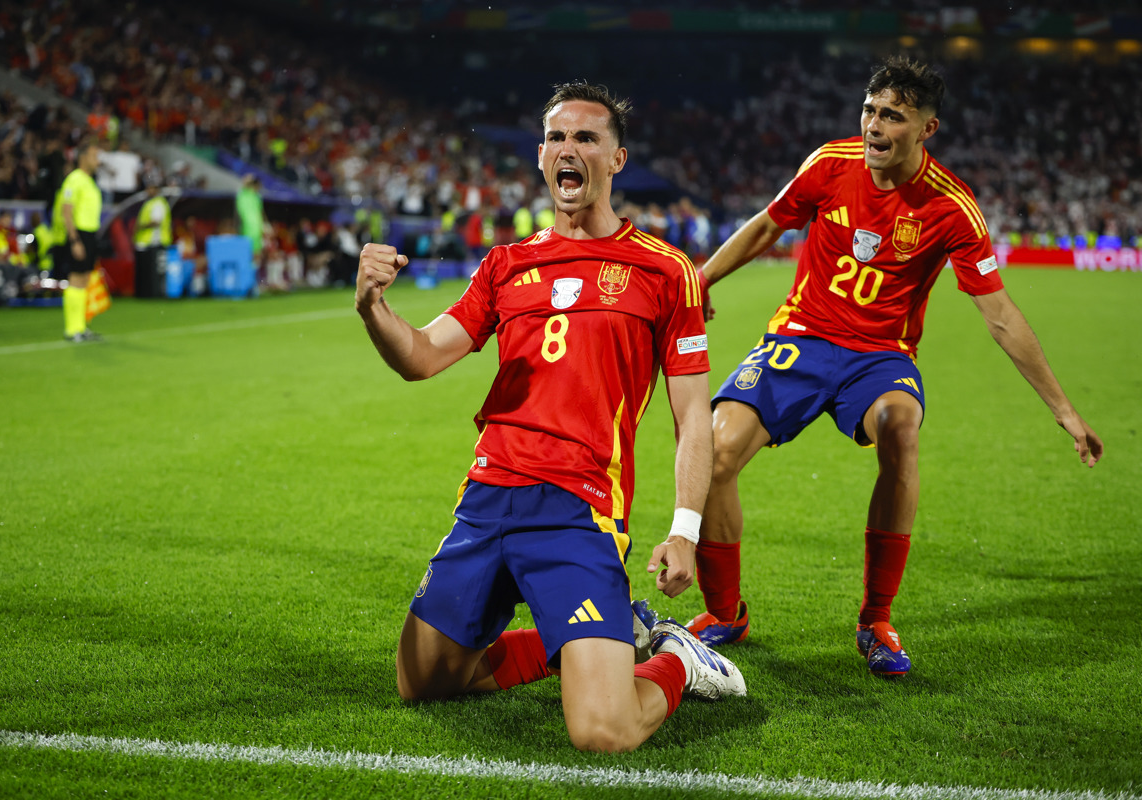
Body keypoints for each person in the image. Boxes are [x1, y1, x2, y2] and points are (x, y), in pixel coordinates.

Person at [355, 81, 746, 753]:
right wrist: (373, 309)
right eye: (558, 139)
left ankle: (679, 658)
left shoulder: (665, 272)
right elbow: (420, 356)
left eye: (587, 138)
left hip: (578, 509)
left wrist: (684, 531)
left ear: (616, 160)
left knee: (603, 731)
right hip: (487, 500)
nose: (571, 151)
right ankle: (601, 638)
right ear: (541, 157)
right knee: (423, 680)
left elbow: (692, 418)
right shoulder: (506, 265)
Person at [689, 56, 1104, 676]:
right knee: (717, 451)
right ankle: (725, 613)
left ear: (925, 129)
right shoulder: (831, 164)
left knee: (902, 429)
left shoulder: (951, 208)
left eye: (893, 116)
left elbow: (1000, 316)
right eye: (870, 111)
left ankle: (876, 619)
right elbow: (767, 226)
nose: (875, 126)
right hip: (801, 336)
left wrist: (1065, 411)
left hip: (881, 356)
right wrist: (700, 277)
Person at [53, 141, 104, 342]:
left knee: (84, 280)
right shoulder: (74, 179)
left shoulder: (89, 181)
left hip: (90, 233)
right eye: (94, 155)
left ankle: (81, 327)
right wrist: (74, 240)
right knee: (75, 278)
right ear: (83, 157)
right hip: (79, 234)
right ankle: (71, 329)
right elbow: (67, 210)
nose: (97, 160)